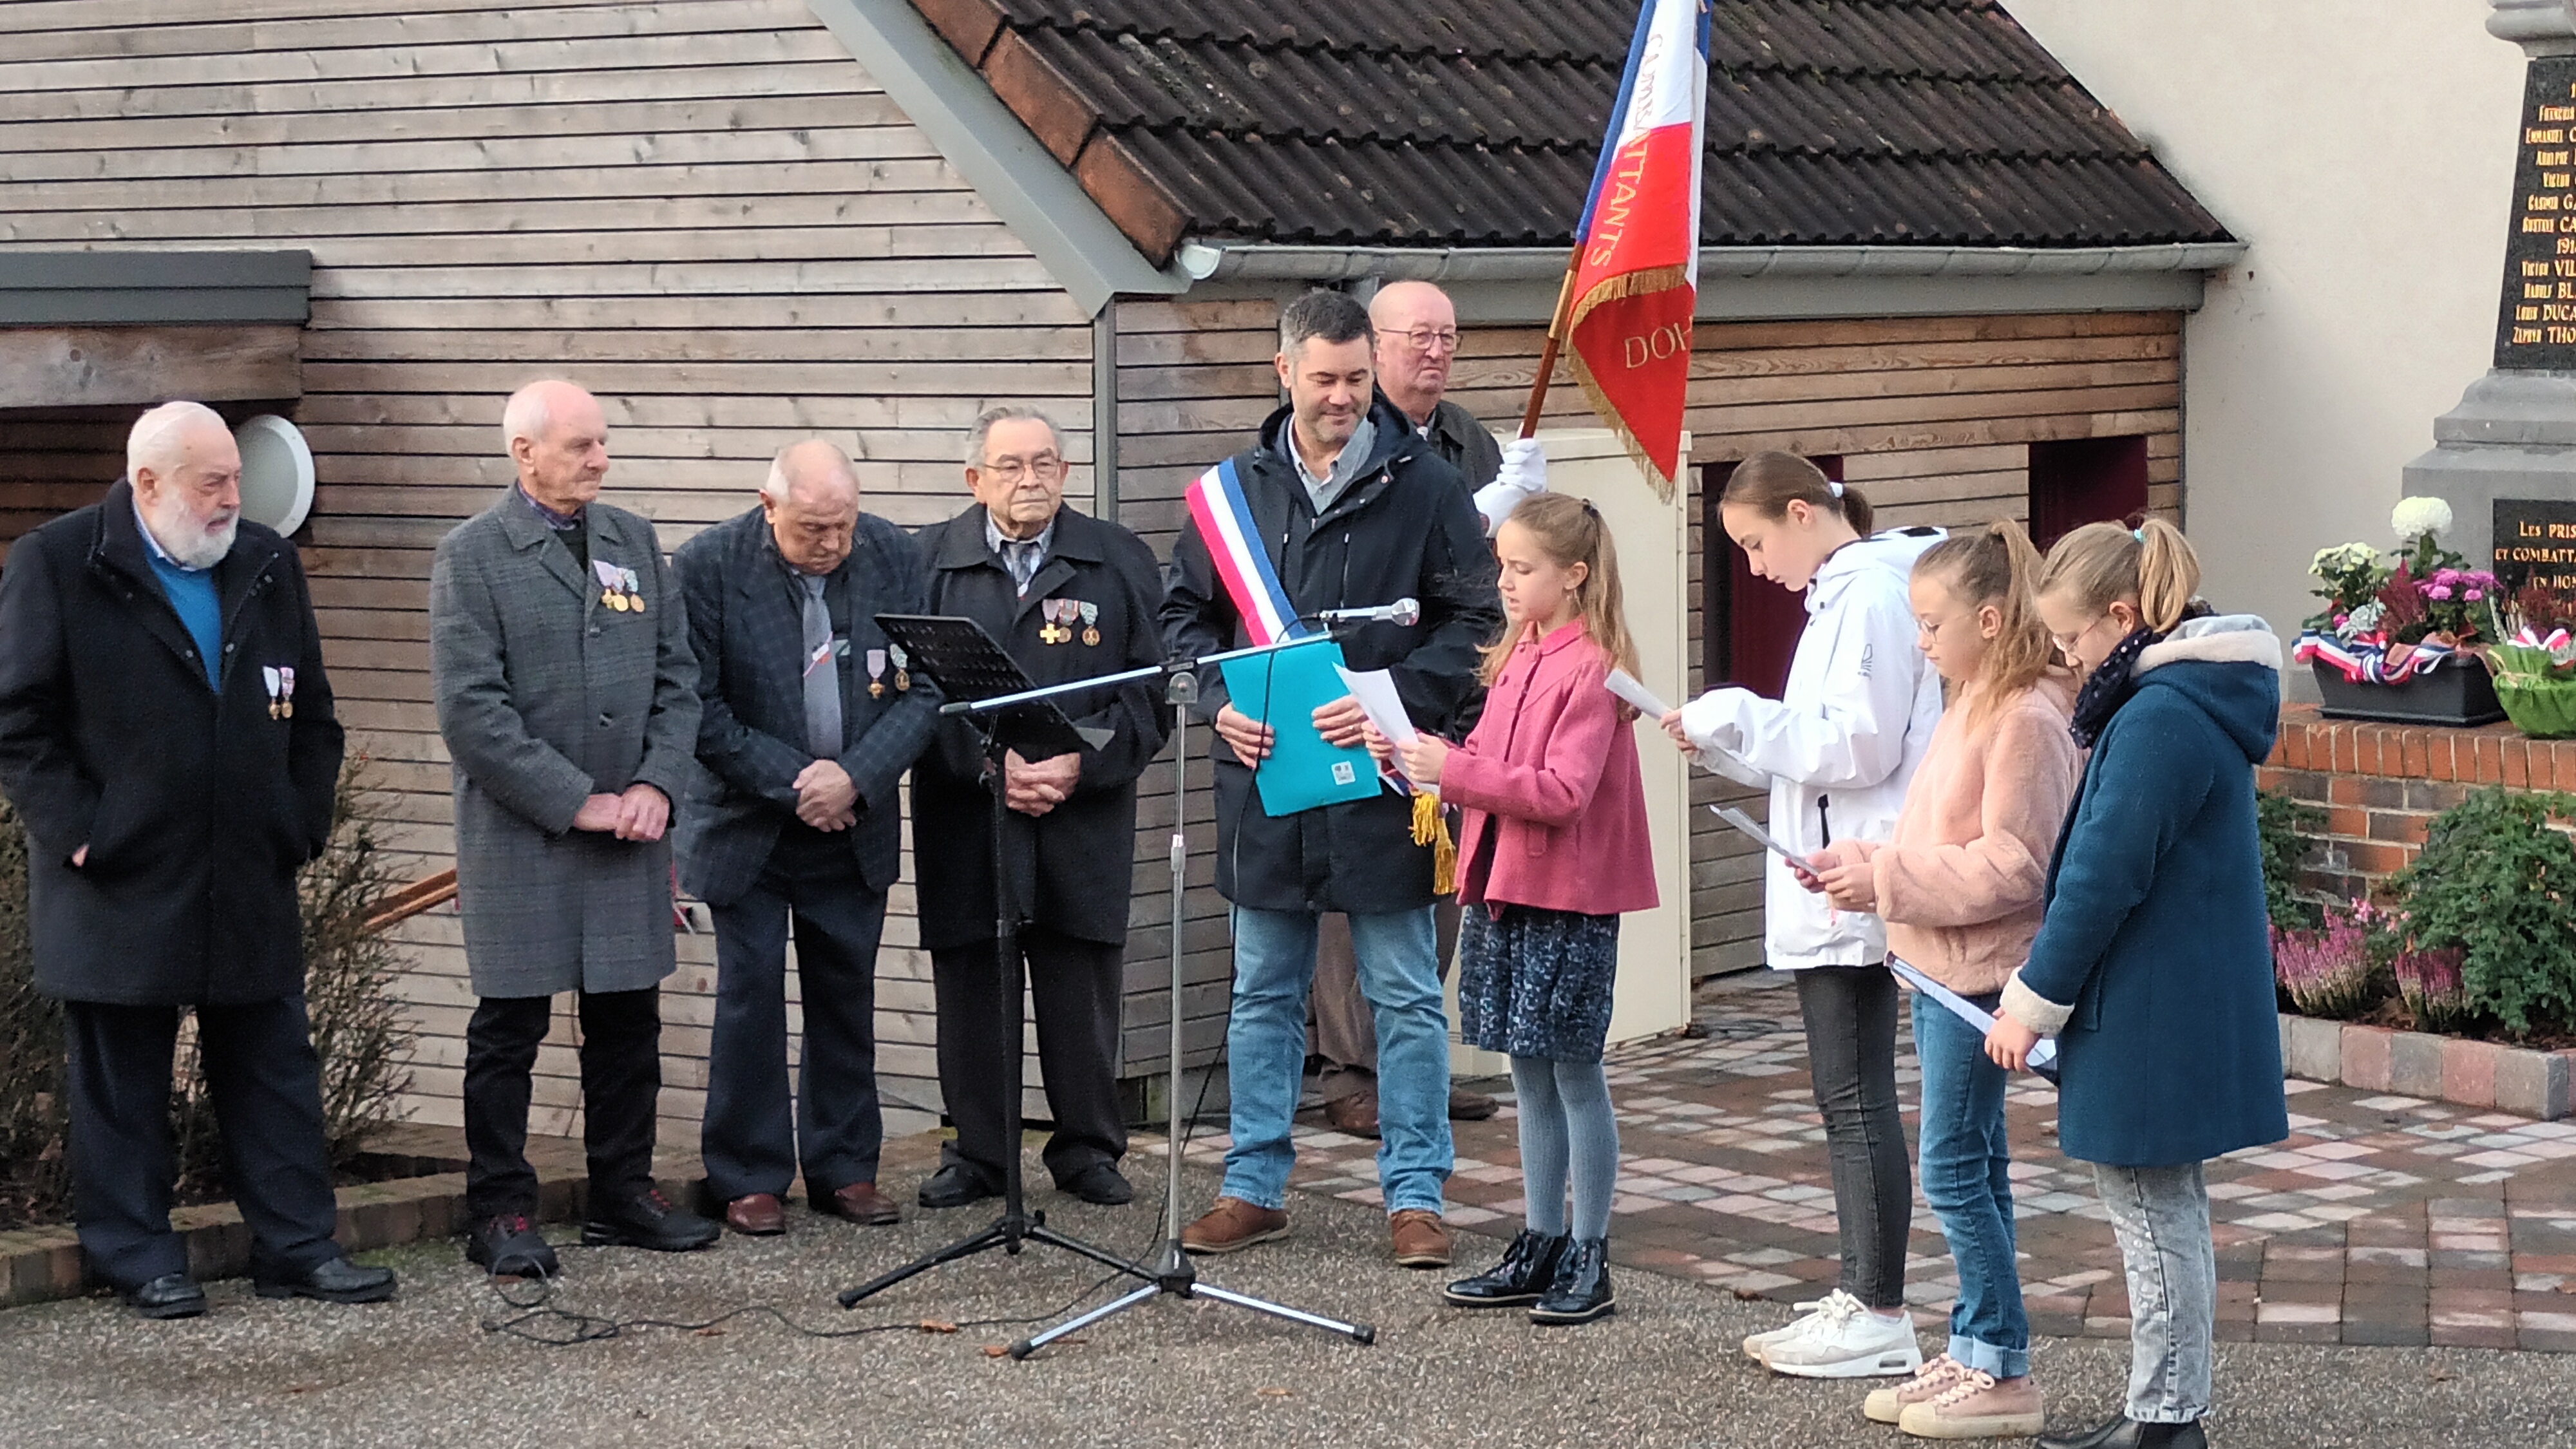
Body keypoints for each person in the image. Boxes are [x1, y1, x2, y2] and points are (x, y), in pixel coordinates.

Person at [0, 401, 396, 1318]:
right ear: (148, 483)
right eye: (211, 480)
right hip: (117, 876)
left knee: (273, 1067)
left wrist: (300, 819)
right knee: (123, 1080)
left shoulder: (264, 560)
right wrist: (83, 830)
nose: (232, 497)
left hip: (247, 867)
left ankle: (298, 1245)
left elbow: (316, 712)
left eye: (235, 478)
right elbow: (18, 721)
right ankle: (138, 1254)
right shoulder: (58, 563)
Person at [1162, 287, 1502, 1269]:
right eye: (1326, 379)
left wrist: (1391, 695)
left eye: (1358, 378)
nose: (1344, 397)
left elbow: (1478, 627)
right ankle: (1253, 1185)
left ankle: (1416, 1194)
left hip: (1383, 776)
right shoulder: (1230, 492)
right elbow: (1181, 624)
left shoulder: (1429, 487)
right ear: (1284, 372)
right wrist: (1215, 704)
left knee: (1404, 994)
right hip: (1263, 782)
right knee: (1263, 993)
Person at [1985, 521, 2287, 1449]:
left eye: (2073, 640)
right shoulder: (2190, 701)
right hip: (2174, 1001)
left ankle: (2164, 1420)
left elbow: (2100, 881)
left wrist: (2029, 1003)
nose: (2070, 662)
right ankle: (2169, 1409)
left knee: (2153, 1223)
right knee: (2170, 1217)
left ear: (2122, 617)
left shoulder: (2158, 717)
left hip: (2150, 1012)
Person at [1662, 451, 1943, 1378]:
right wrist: (1727, 740)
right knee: (1849, 1095)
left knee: (1855, 1097)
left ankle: (1878, 1306)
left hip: (1856, 877)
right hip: (1839, 865)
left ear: (1800, 512)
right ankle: (1867, 1293)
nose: (1753, 566)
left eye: (1753, 542)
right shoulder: (1845, 590)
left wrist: (1739, 713)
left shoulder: (1867, 592)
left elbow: (1857, 746)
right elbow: (1816, 750)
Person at [1799, 521, 2079, 1436]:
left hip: (1980, 977)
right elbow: (1940, 842)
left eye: (1930, 623)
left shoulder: (2027, 716)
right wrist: (1867, 861)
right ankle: (1976, 1345)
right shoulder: (1974, 699)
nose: (1919, 640)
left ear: (1992, 621)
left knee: (1956, 1170)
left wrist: (1884, 879)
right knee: (1974, 1165)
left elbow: (2014, 867)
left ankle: (2001, 1359)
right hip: (1938, 964)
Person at [432, 379, 717, 1277]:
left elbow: (680, 679)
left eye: (602, 443)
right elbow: (473, 713)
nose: (600, 459)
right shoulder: (473, 557)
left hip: (631, 832)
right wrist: (575, 797)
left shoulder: (634, 541)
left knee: (628, 1021)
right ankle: (503, 1209)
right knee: (510, 1028)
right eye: (581, 445)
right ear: (524, 454)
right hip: (526, 834)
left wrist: (657, 785)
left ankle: (623, 1191)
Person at [1397, 492, 1654, 1327]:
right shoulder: (1521, 650)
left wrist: (1456, 771)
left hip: (1566, 896)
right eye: (1502, 565)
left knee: (1574, 1071)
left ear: (1575, 575)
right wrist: (1423, 760)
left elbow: (1563, 791)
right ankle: (1541, 1239)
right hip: (1506, 884)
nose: (1504, 582)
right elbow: (1489, 760)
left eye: (1522, 568)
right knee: (1526, 1070)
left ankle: (1590, 1251)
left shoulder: (1594, 663)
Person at [672, 440, 938, 1236]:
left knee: (844, 992)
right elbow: (699, 704)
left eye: (842, 526)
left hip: (854, 818)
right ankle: (747, 1174)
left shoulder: (894, 553)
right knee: (749, 999)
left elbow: (926, 687)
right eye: (812, 529)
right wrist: (799, 784)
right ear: (768, 506)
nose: (831, 544)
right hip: (748, 823)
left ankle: (845, 1167)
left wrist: (853, 776)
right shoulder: (707, 565)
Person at [911, 407, 1170, 1211]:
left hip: (1081, 817)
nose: (1031, 480)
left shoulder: (1115, 558)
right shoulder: (926, 563)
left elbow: (1153, 691)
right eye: (1012, 466)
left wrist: (1080, 764)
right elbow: (910, 695)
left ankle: (1087, 1148)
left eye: (1046, 464)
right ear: (974, 480)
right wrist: (990, 767)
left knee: (1079, 989)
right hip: (969, 818)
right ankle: (980, 1155)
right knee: (973, 991)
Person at [1304, 279, 1546, 1139]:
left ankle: (1413, 1063)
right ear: (1373, 347)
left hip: (1447, 690)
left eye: (1447, 336)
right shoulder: (1350, 439)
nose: (1435, 353)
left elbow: (1492, 576)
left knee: (1437, 871)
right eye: (1417, 338)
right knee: (1349, 887)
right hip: (1356, 694)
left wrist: (1519, 517)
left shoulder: (1466, 439)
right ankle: (1349, 1071)